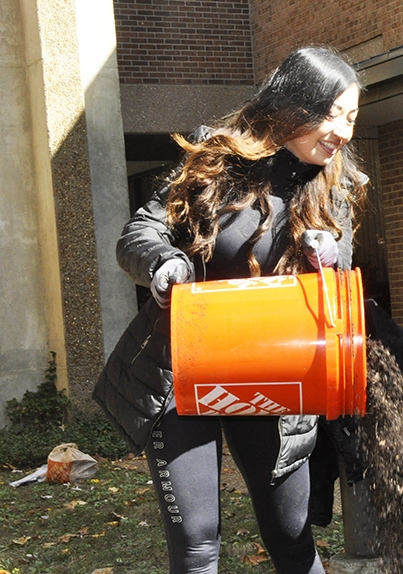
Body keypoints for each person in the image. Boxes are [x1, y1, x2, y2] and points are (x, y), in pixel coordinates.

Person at [93, 45, 367, 574]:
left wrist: (326, 256)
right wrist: (163, 263)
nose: (342, 131)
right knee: (196, 546)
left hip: (275, 375)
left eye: (352, 117)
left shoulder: (337, 184)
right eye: (332, 113)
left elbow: (339, 289)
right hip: (181, 370)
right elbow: (141, 231)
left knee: (291, 539)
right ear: (294, 106)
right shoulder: (214, 157)